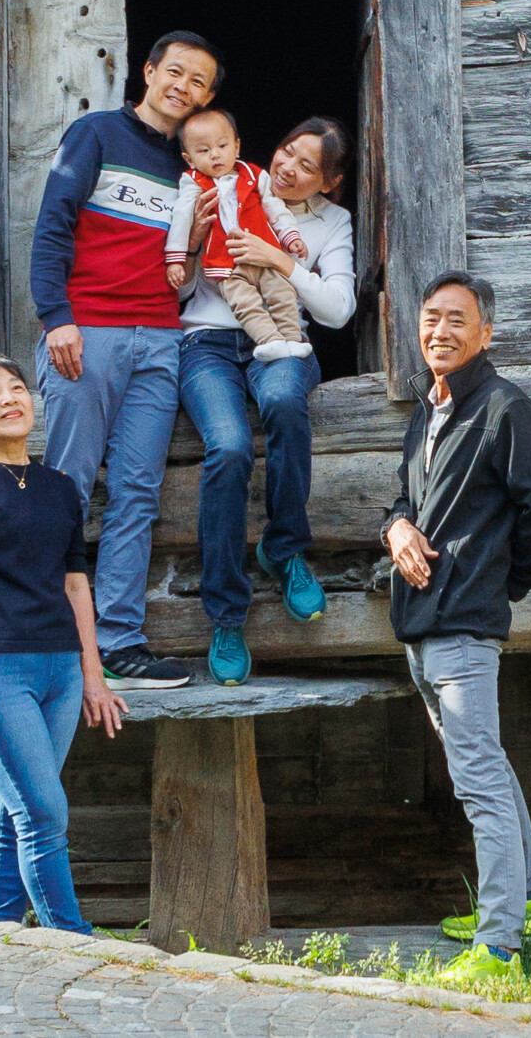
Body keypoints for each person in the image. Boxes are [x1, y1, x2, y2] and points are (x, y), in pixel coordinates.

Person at [381, 271, 531, 981]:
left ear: (485, 333)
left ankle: (500, 945)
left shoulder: (503, 408)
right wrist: (396, 525)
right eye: (432, 317)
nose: (442, 330)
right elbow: (405, 496)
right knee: (484, 764)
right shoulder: (429, 414)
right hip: (421, 627)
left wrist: (502, 583)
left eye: (458, 320)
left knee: (479, 779)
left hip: (463, 627)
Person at [27, 29, 221, 685]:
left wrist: (194, 243)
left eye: (197, 81)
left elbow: (183, 278)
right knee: (69, 487)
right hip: (89, 333)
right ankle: (52, 636)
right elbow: (53, 221)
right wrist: (56, 317)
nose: (182, 86)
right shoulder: (95, 135)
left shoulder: (190, 168)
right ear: (148, 70)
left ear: (208, 96)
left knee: (138, 493)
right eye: (174, 71)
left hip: (160, 339)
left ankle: (118, 639)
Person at [0, 355, 128, 935]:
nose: (12, 398)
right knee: (43, 810)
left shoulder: (59, 489)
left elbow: (75, 585)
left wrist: (93, 673)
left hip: (60, 670)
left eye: (19, 388)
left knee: (20, 809)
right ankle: (73, 941)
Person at [176, 116, 358, 683]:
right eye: (285, 150)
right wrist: (196, 241)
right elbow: (174, 287)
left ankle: (283, 550)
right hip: (205, 343)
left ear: (329, 181)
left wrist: (280, 259)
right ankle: (227, 616)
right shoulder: (215, 187)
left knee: (282, 402)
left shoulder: (333, 224)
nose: (288, 167)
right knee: (228, 449)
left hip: (285, 341)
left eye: (308, 165)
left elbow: (337, 309)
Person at [164, 106, 313, 363]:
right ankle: (271, 341)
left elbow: (275, 209)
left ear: (237, 146)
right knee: (245, 304)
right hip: (225, 265)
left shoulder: (255, 175)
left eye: (222, 146)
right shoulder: (193, 182)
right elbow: (181, 218)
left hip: (265, 256)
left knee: (282, 294)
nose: (215, 155)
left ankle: (292, 339)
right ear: (189, 159)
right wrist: (175, 258)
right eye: (203, 150)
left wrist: (291, 237)